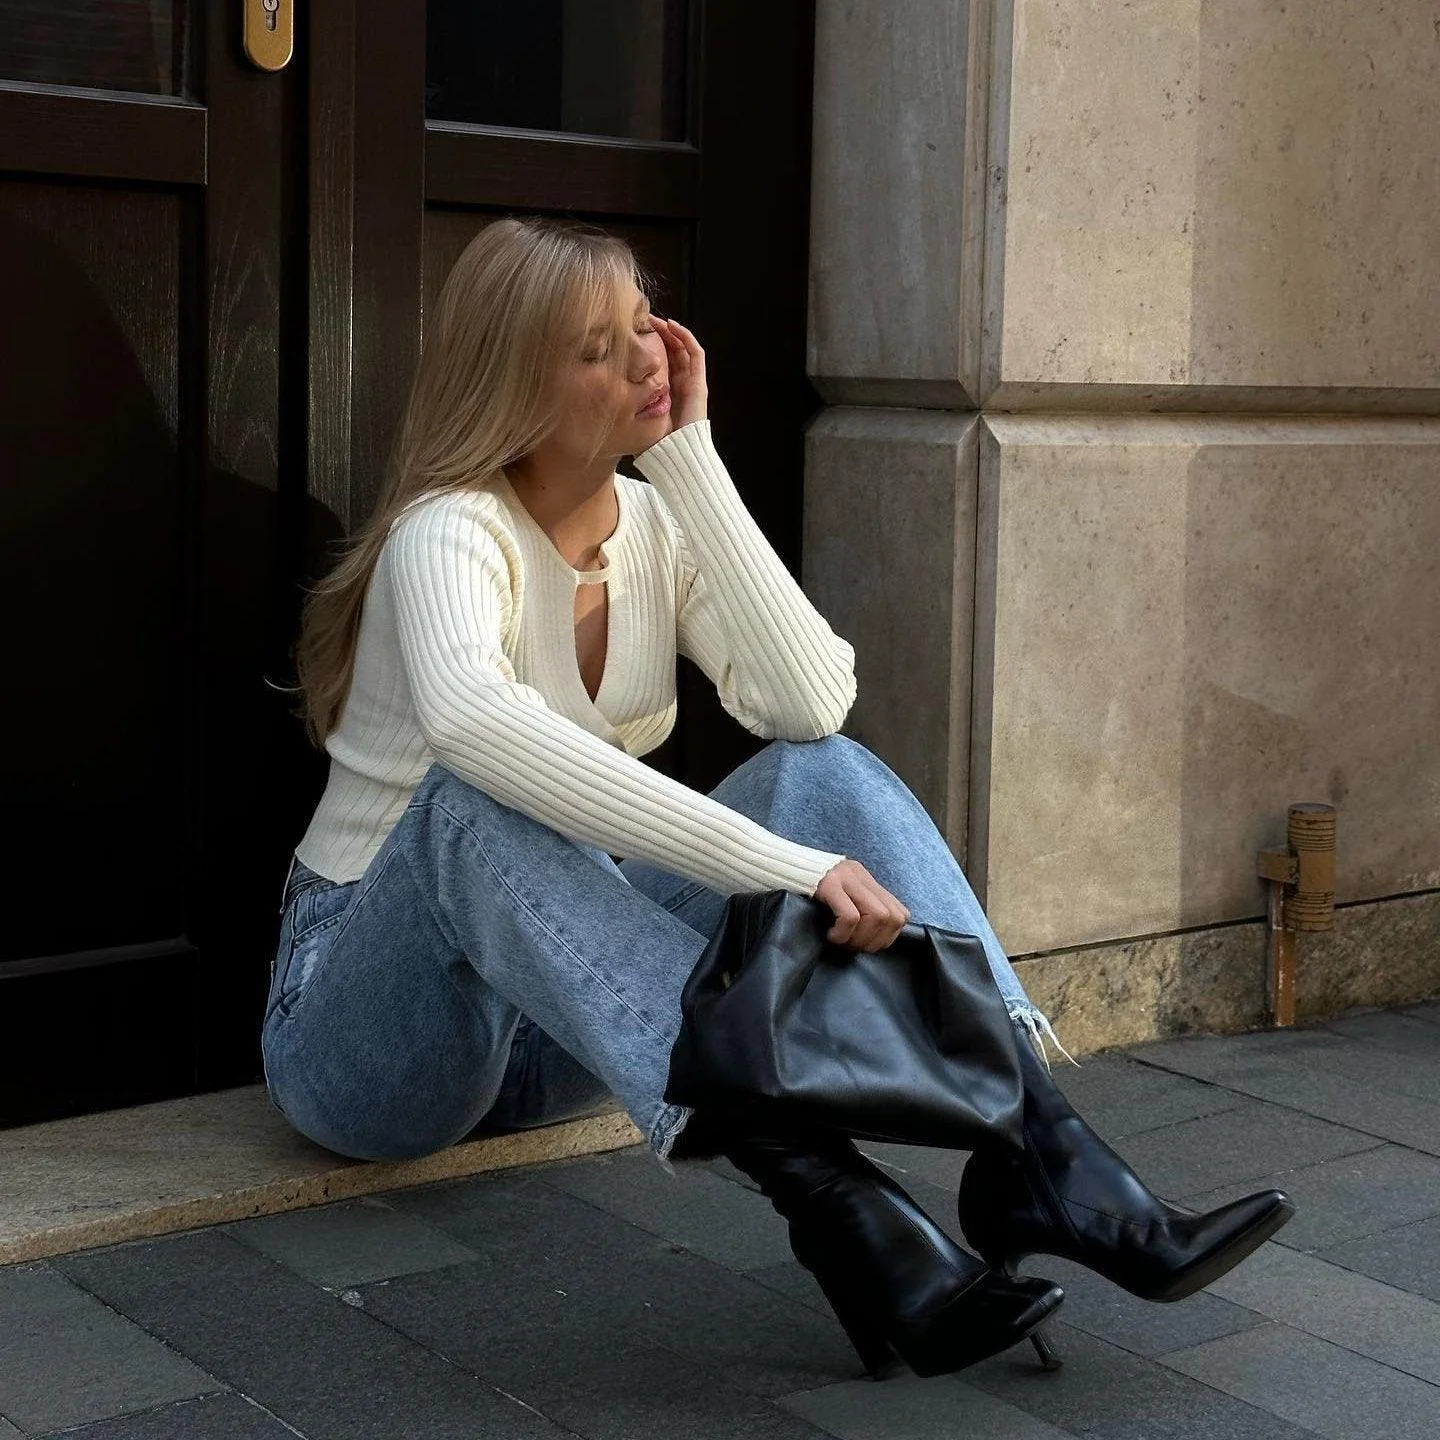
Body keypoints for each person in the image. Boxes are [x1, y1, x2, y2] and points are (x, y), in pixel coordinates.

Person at [262, 215, 1293, 1382]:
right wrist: (786, 873)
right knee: (469, 806)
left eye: (642, 323)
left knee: (827, 776)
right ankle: (832, 1197)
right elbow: (475, 728)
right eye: (597, 347)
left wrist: (691, 465)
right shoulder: (447, 533)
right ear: (515, 383)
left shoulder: (653, 523)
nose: (648, 357)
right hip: (378, 1042)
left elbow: (810, 702)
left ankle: (1043, 1154)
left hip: (566, 1016)